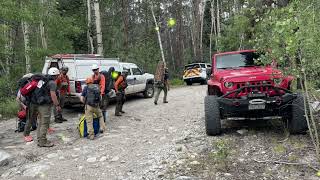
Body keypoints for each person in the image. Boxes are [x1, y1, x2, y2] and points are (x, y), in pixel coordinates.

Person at [29, 67, 61, 147]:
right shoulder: (52, 83)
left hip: (38, 104)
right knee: (45, 123)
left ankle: (40, 139)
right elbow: (53, 95)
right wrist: (57, 105)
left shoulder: (42, 81)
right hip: (45, 106)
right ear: (56, 75)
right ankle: (43, 142)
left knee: (41, 123)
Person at [16, 73, 37, 142]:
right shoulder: (23, 87)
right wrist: (24, 106)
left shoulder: (30, 85)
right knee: (25, 116)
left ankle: (33, 126)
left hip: (29, 103)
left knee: (32, 116)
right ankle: (23, 128)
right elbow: (18, 99)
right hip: (25, 103)